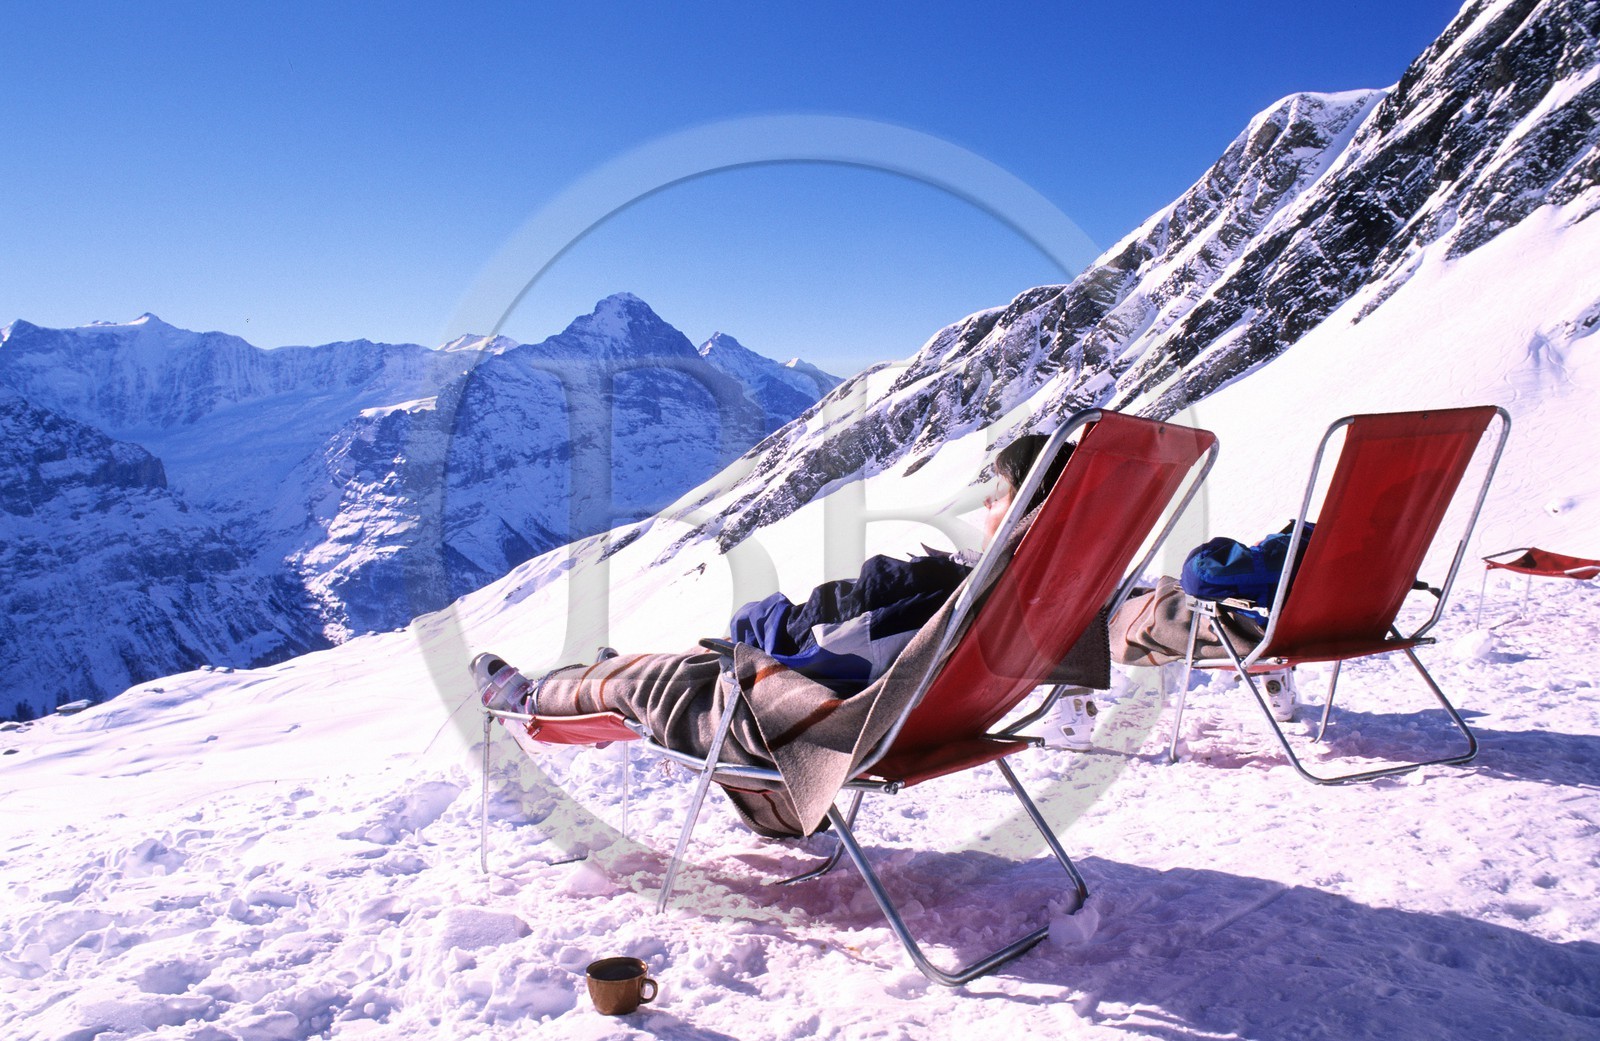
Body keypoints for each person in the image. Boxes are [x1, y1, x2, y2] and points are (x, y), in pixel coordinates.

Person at [471, 432, 1092, 837]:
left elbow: (820, 645)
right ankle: (612, 671)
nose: (983, 509)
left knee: (669, 681)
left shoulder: (943, 596)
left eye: (996, 498)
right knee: (688, 666)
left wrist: (758, 623)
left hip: (844, 724)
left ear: (1019, 511)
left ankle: (531, 699)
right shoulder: (1049, 591)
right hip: (939, 718)